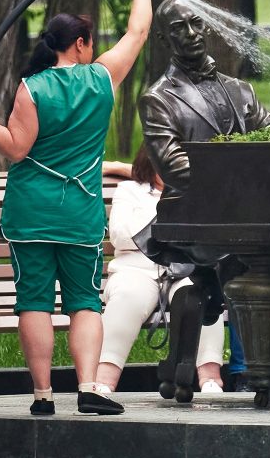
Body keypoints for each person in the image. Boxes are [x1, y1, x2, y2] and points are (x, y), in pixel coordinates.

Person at [0, 0, 156, 416]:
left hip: (30, 211)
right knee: (85, 301)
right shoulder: (101, 79)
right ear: (81, 44)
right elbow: (138, 32)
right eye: (91, 42)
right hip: (79, 212)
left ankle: (43, 396)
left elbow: (16, 149)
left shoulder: (31, 88)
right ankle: (89, 389)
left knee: (34, 302)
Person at [138, 0, 270, 394]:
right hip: (194, 218)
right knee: (253, 254)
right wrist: (245, 179)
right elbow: (175, 169)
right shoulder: (157, 99)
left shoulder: (241, 91)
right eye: (178, 28)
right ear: (163, 39)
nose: (190, 34)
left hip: (253, 215)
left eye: (195, 23)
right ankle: (267, 371)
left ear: (207, 27)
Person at [97, 151, 226, 394]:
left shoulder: (196, 195)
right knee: (128, 295)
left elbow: (203, 236)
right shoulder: (129, 190)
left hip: (185, 266)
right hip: (135, 269)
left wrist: (151, 234)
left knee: (204, 293)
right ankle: (103, 381)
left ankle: (210, 377)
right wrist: (170, 230)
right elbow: (120, 236)